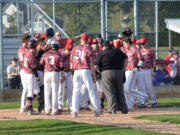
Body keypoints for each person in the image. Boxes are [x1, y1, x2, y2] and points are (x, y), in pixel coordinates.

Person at [70, 34, 102, 118]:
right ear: (87, 40)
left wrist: (72, 73)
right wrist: (94, 75)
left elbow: (71, 63)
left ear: (81, 39)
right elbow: (91, 64)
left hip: (76, 71)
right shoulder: (88, 49)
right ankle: (96, 110)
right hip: (85, 70)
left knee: (75, 92)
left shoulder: (74, 49)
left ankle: (74, 112)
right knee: (91, 90)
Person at [95, 41, 128, 114]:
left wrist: (94, 73)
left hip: (106, 72)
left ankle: (112, 109)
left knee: (109, 91)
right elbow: (126, 58)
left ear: (103, 47)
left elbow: (96, 65)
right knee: (120, 91)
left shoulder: (101, 53)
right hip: (119, 72)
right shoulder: (117, 51)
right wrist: (124, 69)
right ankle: (124, 109)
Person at [121, 38, 148, 111]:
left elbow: (142, 59)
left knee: (127, 88)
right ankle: (129, 105)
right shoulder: (125, 50)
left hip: (133, 70)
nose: (124, 45)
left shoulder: (135, 49)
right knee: (126, 89)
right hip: (126, 70)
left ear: (128, 43)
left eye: (124, 43)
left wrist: (137, 67)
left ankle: (143, 96)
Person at [40, 40, 64, 115]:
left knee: (47, 92)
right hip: (55, 73)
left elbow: (41, 64)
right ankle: (54, 110)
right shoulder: (59, 54)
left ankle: (47, 109)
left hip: (47, 73)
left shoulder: (45, 54)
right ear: (56, 47)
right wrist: (62, 75)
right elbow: (61, 67)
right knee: (55, 92)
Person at [23, 39, 40, 114]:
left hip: (26, 73)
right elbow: (33, 67)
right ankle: (30, 109)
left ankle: (27, 105)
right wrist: (36, 76)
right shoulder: (31, 55)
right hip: (30, 74)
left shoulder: (26, 53)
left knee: (37, 90)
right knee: (30, 92)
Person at [139, 38, 158, 108]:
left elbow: (154, 61)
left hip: (148, 69)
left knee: (149, 86)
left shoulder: (151, 50)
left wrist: (155, 70)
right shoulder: (139, 51)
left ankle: (154, 101)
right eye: (141, 44)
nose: (142, 45)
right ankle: (143, 102)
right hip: (141, 70)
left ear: (146, 43)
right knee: (142, 87)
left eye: (143, 43)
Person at [58, 42, 73, 112]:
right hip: (62, 73)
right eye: (69, 49)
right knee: (61, 90)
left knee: (70, 89)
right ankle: (60, 105)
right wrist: (62, 75)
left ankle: (70, 105)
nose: (70, 51)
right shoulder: (61, 55)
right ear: (65, 49)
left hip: (69, 73)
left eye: (71, 49)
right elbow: (59, 66)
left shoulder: (71, 55)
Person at [18, 34, 31, 113]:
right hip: (24, 70)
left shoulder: (24, 48)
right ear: (25, 40)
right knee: (26, 88)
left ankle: (24, 106)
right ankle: (22, 107)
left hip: (25, 70)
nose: (29, 42)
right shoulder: (23, 49)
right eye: (28, 40)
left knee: (27, 89)